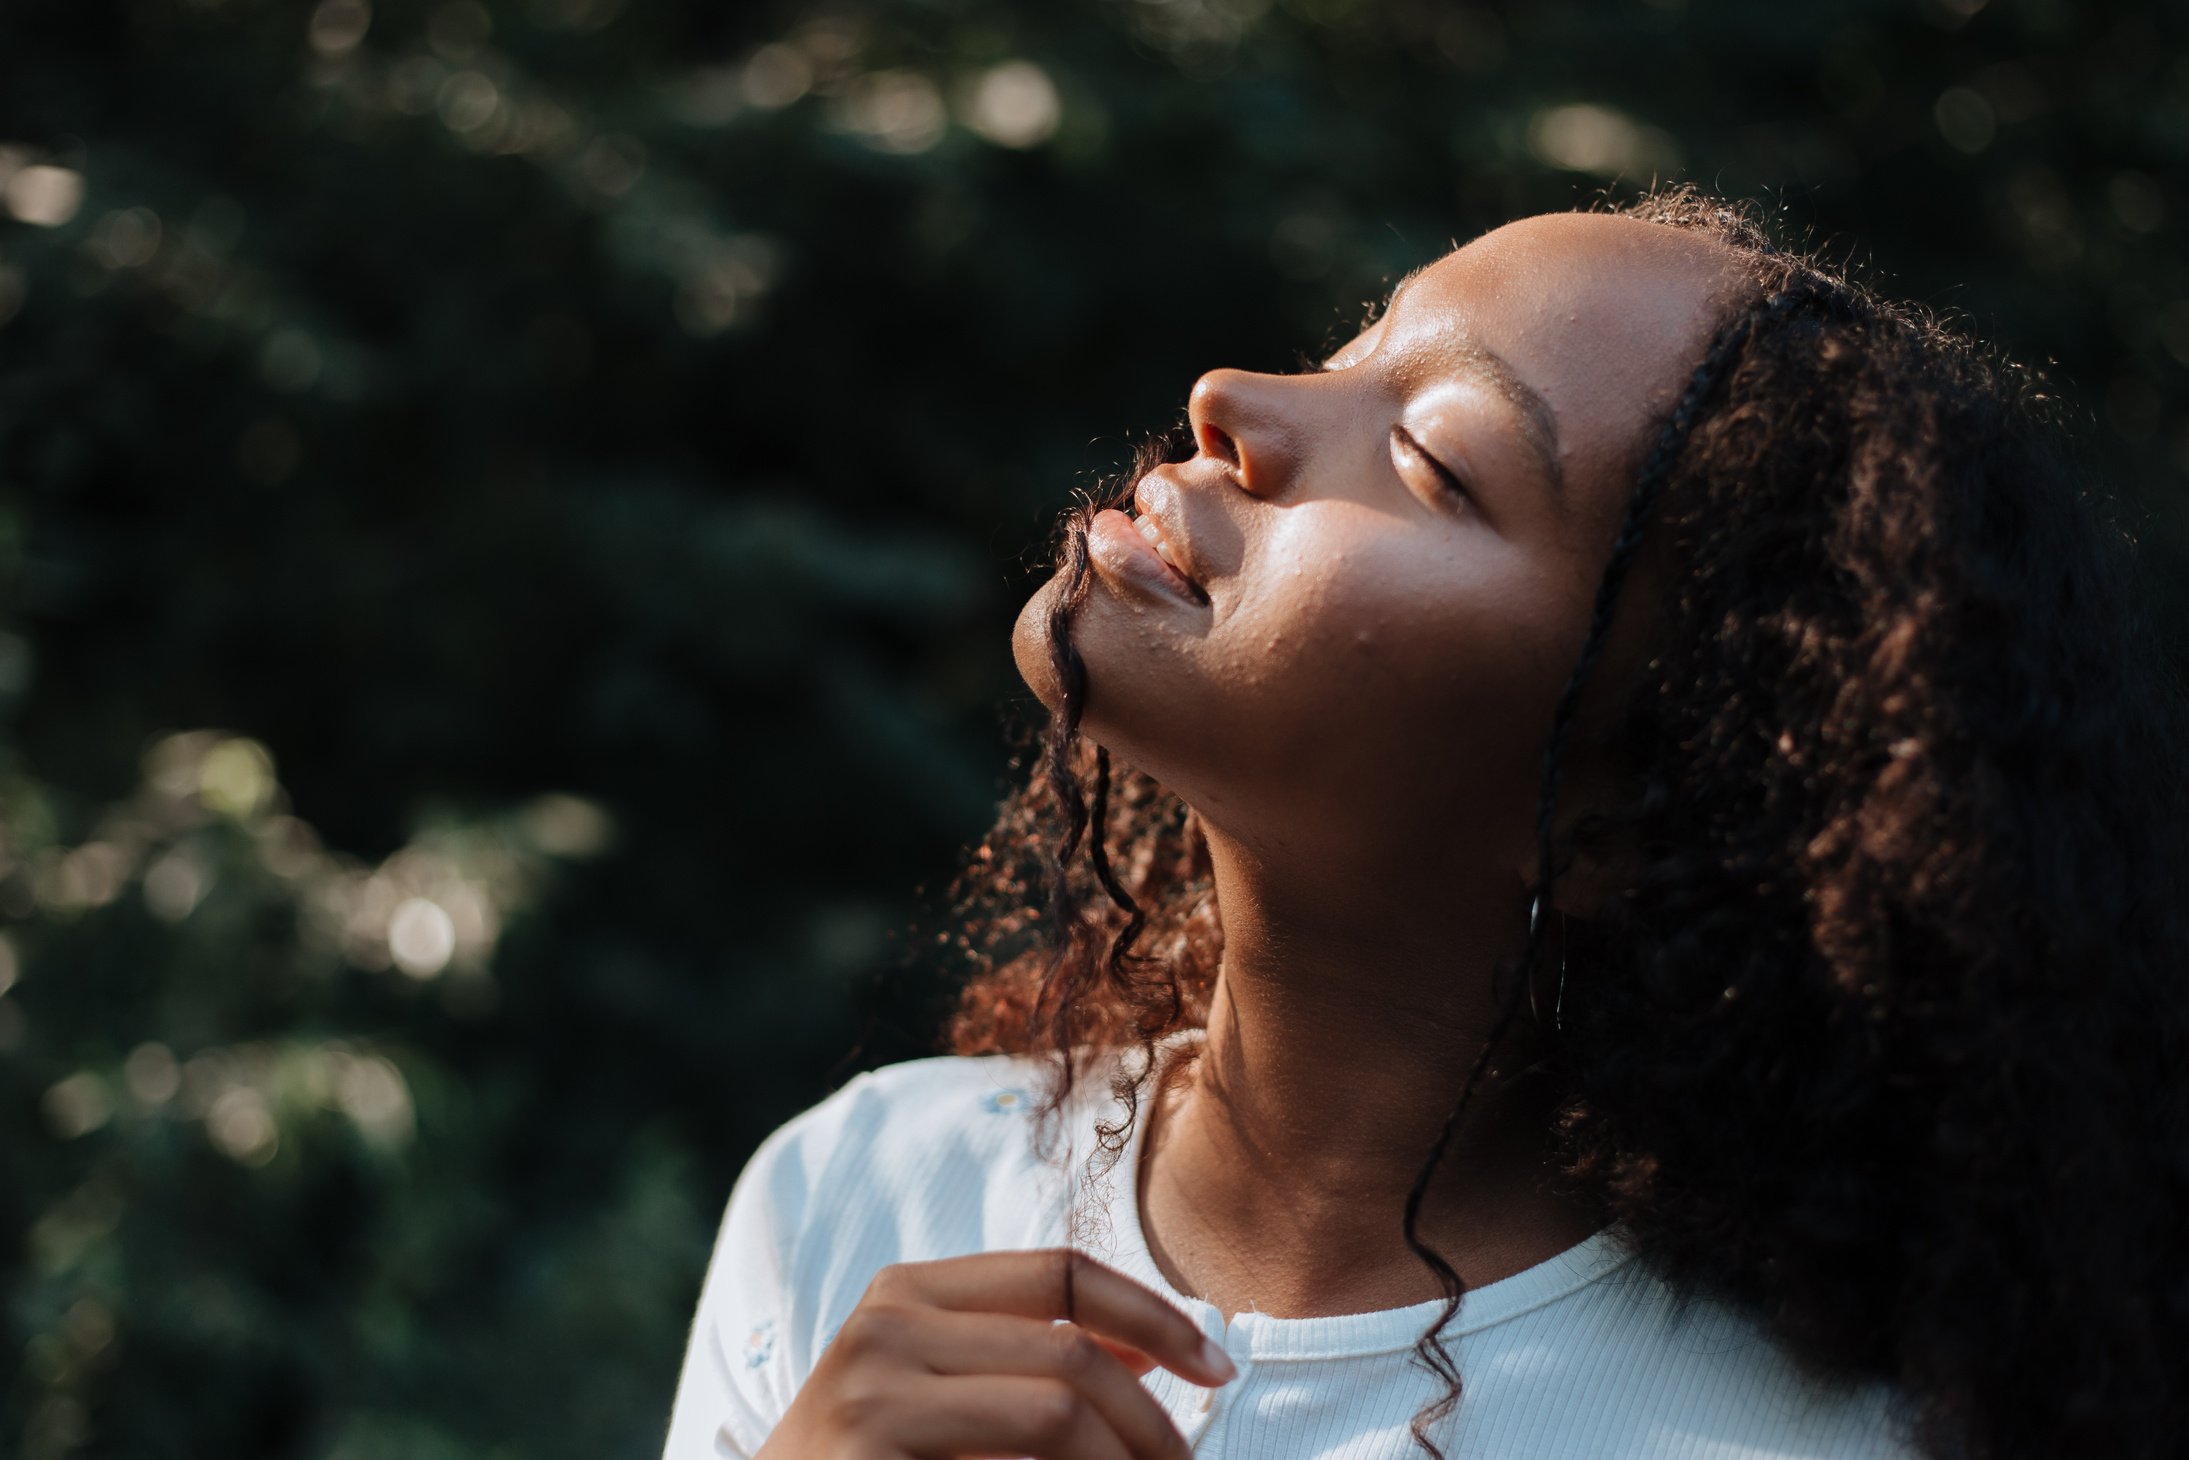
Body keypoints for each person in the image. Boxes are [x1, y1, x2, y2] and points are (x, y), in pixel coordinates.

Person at [662, 186, 2189, 1460]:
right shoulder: (865, 1194)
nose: (1233, 405)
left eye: (1431, 459)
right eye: (1346, 349)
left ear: (1634, 819)